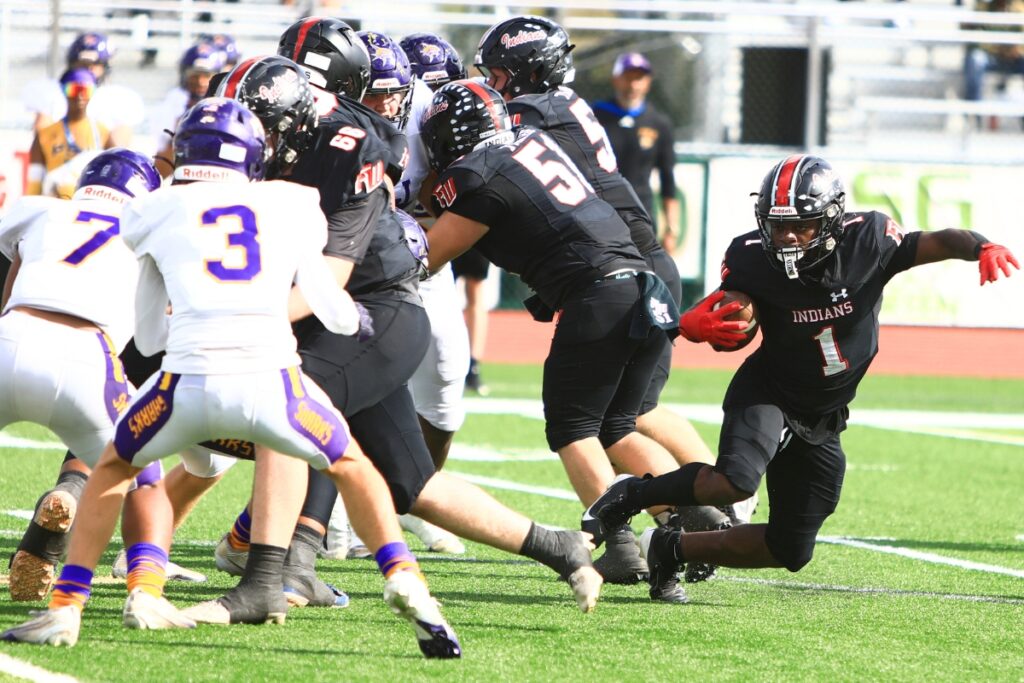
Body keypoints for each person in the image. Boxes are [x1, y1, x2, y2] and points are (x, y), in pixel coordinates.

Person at [1, 97, 462, 659]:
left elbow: (147, 337)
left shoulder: (156, 210)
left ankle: (66, 608)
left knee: (117, 468)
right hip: (274, 383)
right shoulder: (292, 203)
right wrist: (355, 321)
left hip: (185, 389)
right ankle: (407, 578)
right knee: (352, 466)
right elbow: (333, 306)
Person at [210, 21, 601, 616]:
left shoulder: (349, 145)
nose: (252, 136)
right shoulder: (291, 133)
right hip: (338, 311)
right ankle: (558, 545)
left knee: (297, 407)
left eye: (261, 120)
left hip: (374, 310)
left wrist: (242, 320)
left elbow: (333, 279)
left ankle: (277, 573)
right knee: (410, 484)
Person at [585, 154, 1020, 603]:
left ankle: (670, 549)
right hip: (769, 390)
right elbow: (732, 308)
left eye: (803, 226)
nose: (789, 237)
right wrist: (697, 324)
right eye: (778, 225)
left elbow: (937, 240)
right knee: (734, 480)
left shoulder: (868, 240)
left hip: (824, 411)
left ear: (831, 219)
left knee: (789, 548)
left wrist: (980, 246)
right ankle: (631, 495)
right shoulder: (752, 257)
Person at [474, 15, 730, 591]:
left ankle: (659, 525)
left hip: (618, 261)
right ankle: (695, 514)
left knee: (592, 423)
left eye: (498, 73)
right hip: (635, 256)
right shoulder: (567, 103)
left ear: (527, 71)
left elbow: (485, 137)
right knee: (623, 420)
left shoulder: (533, 112)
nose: (492, 84)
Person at [421, 79, 685, 598]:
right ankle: (692, 526)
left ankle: (624, 545)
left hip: (598, 294)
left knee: (572, 427)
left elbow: (428, 255)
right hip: (642, 283)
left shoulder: (478, 172)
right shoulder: (534, 143)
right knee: (619, 426)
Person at [0, 148, 187, 612]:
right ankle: (145, 592)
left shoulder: (40, 208)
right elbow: (149, 338)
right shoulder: (150, 232)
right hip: (89, 358)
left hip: (12, 334)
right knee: (145, 484)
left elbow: (11, 285)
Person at [591, 52, 680, 256]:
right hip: (599, 211)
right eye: (628, 78)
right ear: (616, 79)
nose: (633, 85)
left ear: (648, 82)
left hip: (641, 214)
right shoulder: (594, 115)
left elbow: (668, 179)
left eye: (639, 78)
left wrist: (671, 229)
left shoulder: (658, 123)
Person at [20, 32, 145, 147]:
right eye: (82, 63)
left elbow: (119, 152)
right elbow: (42, 140)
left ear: (105, 66)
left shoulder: (119, 98)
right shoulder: (50, 91)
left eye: (94, 64)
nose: (87, 70)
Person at [26, 69, 113, 199]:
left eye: (86, 90)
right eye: (74, 90)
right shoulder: (45, 134)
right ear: (63, 90)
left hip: (88, 205)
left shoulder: (103, 132)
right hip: (55, 205)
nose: (80, 96)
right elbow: (34, 185)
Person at [151, 42, 228, 177]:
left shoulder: (229, 106)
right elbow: (160, 167)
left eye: (207, 75)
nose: (200, 82)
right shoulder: (173, 103)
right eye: (195, 75)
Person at [963, 0, 1024, 104]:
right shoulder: (983, 6)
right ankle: (974, 112)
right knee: (976, 60)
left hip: (1014, 59)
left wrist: (1016, 50)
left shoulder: (1018, 7)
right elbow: (971, 33)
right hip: (991, 57)